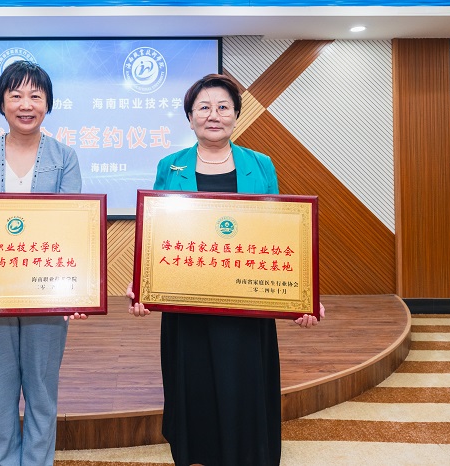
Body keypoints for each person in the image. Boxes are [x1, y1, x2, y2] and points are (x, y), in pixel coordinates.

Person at [126, 73, 325, 466]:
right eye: (203, 107)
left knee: (244, 384)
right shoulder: (170, 165)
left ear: (235, 115)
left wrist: (304, 297)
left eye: (223, 107)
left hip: (246, 305)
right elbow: (154, 233)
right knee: (194, 385)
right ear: (190, 117)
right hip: (187, 303)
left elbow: (281, 231)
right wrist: (142, 287)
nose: (213, 115)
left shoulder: (260, 164)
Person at [0, 60, 85, 466]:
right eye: (16, 95)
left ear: (48, 104)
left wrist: (76, 292)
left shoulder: (65, 157)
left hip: (46, 292)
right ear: (2, 103)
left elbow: (73, 228)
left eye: (35, 96)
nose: (26, 104)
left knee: (42, 391)